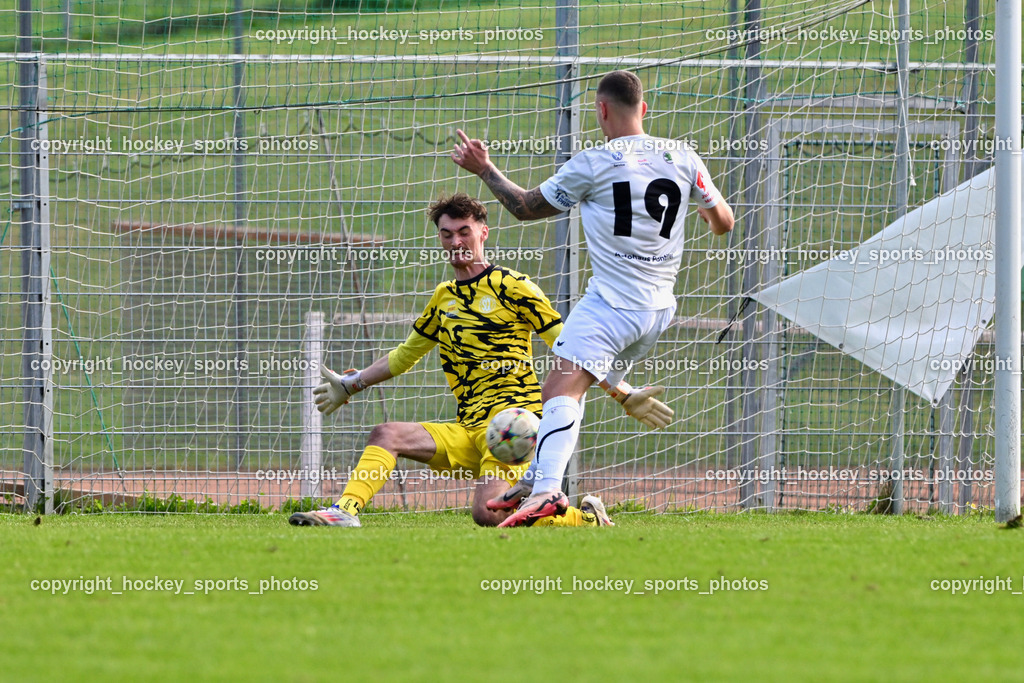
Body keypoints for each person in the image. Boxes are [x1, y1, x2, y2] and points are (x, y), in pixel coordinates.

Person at [451, 70, 735, 527]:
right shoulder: (683, 155)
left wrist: (484, 168)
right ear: (643, 108)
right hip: (658, 310)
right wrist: (698, 211)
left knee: (558, 390)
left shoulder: (594, 162)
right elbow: (723, 222)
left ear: (601, 110)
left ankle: (545, 490)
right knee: (571, 388)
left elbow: (524, 207)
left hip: (612, 305)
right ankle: (536, 480)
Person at [289, 193, 613, 528]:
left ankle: (586, 520)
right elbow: (404, 355)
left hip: (512, 429)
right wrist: (352, 384)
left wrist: (622, 392)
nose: (456, 242)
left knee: (487, 514)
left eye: (463, 232)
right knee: (386, 434)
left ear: (483, 233)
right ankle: (344, 511)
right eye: (447, 234)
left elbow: (571, 347)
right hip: (467, 429)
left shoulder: (514, 287)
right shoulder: (444, 296)